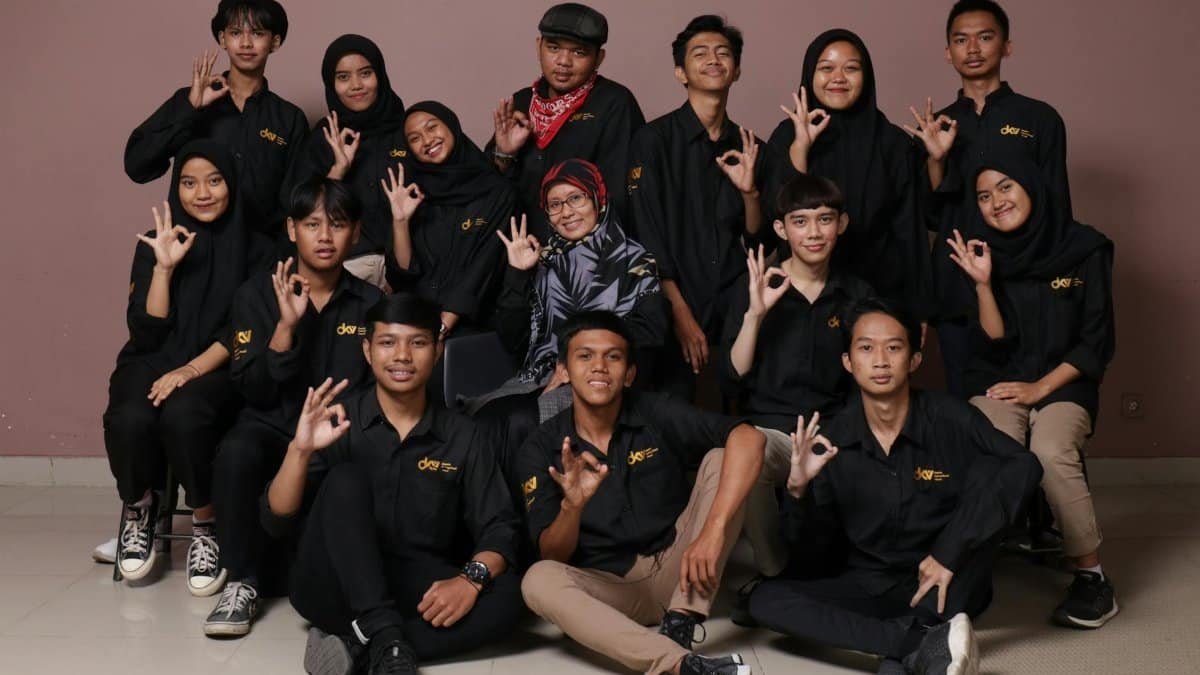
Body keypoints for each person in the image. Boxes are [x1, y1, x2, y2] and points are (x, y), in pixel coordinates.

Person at [747, 298, 1042, 675]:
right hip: (870, 583)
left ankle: (910, 639)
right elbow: (810, 560)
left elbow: (1025, 465)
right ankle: (915, 643)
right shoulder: (831, 439)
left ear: (915, 360)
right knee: (765, 600)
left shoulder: (951, 417)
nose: (881, 360)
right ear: (848, 362)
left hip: (946, 578)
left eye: (894, 347)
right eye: (866, 348)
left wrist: (950, 552)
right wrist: (799, 489)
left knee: (991, 468)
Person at [262, 294, 523, 675]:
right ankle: (385, 635)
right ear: (367, 350)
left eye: (417, 343)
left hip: (409, 580)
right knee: (346, 479)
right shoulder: (337, 418)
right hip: (332, 581)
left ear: (437, 350)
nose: (402, 355)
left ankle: (366, 646)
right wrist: (299, 451)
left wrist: (470, 580)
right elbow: (275, 520)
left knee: (513, 596)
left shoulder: (465, 434)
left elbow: (499, 527)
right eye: (388, 342)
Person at [518, 311, 766, 675]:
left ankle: (680, 623)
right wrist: (572, 506)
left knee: (722, 456)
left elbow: (750, 437)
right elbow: (551, 552)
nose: (600, 367)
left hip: (681, 568)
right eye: (585, 356)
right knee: (538, 579)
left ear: (630, 373)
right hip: (610, 589)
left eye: (613, 357)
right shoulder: (541, 447)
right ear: (564, 370)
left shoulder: (654, 410)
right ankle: (680, 665)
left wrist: (712, 531)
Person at [203, 178, 383, 637]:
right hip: (271, 423)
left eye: (337, 225)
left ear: (356, 233)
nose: (325, 236)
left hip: (337, 432)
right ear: (291, 229)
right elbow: (253, 389)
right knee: (237, 452)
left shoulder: (370, 303)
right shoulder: (256, 295)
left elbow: (377, 387)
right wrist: (285, 327)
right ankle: (240, 580)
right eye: (312, 224)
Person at [949, 156, 1116, 628]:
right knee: (990, 446)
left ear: (1034, 188)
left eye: (1005, 187)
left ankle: (1092, 577)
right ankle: (967, 568)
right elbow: (993, 340)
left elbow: (1097, 341)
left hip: (1065, 382)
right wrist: (982, 285)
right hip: (1000, 378)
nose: (996, 202)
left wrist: (1040, 387)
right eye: (984, 196)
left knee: (1049, 448)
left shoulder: (1086, 247)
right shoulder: (983, 253)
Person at [104, 140, 270, 593]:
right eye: (189, 182)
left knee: (183, 415)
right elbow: (146, 334)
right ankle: (140, 508)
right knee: (130, 416)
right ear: (177, 189)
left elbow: (244, 330)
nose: (202, 193)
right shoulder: (157, 240)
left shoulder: (259, 249)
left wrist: (191, 371)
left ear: (231, 185)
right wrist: (163, 268)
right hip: (153, 356)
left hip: (218, 367)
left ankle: (205, 522)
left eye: (214, 181)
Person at [905, 0, 1072, 394]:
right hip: (956, 289)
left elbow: (1058, 209)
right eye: (961, 40)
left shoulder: (1039, 119)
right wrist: (935, 160)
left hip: (1026, 285)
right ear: (949, 52)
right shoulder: (936, 125)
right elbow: (928, 216)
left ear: (1007, 46)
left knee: (1027, 403)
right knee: (968, 407)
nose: (973, 49)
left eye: (985, 37)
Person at [720, 174, 874, 579]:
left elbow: (872, 378)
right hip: (770, 431)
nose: (813, 232)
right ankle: (774, 574)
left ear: (841, 224)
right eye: (801, 221)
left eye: (825, 219)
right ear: (781, 228)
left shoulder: (856, 293)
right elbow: (732, 376)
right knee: (743, 456)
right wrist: (756, 314)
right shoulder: (754, 286)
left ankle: (826, 575)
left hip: (834, 428)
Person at [477, 159, 666, 487]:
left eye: (576, 198)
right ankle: (497, 520)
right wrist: (518, 274)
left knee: (522, 419)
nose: (566, 212)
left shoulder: (634, 259)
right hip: (538, 375)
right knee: (486, 418)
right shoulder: (542, 260)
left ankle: (537, 519)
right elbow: (513, 339)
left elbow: (651, 331)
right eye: (554, 205)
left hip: (602, 381)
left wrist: (577, 360)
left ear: (598, 200)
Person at [627, 14, 782, 398]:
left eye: (723, 53)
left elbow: (760, 238)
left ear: (737, 69)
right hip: (668, 299)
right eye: (700, 53)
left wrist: (749, 193)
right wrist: (678, 310)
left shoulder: (753, 147)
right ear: (681, 72)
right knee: (669, 410)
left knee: (741, 401)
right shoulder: (653, 140)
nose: (713, 59)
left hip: (733, 297)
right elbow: (645, 231)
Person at [766, 28, 932, 319]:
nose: (838, 78)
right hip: (804, 296)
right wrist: (801, 147)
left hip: (881, 297)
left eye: (851, 68)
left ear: (866, 77)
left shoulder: (892, 143)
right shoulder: (786, 136)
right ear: (809, 75)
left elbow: (910, 232)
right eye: (826, 68)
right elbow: (778, 217)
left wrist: (918, 312)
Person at [124, 0, 306, 235]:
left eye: (258, 33)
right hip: (193, 252)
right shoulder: (191, 100)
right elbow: (137, 165)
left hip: (259, 261)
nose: (246, 43)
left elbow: (296, 203)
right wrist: (190, 109)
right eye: (236, 32)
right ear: (222, 39)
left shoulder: (289, 119)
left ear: (275, 41)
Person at [489, 2, 644, 238]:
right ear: (538, 46)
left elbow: (621, 195)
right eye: (554, 48)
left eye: (578, 52)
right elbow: (486, 192)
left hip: (585, 257)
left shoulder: (614, 102)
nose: (563, 61)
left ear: (599, 58)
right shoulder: (522, 102)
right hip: (520, 255)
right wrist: (503, 154)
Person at [383, 101, 517, 337]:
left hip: (473, 326)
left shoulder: (496, 191)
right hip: (417, 325)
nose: (426, 140)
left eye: (432, 127)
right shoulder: (411, 195)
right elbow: (402, 278)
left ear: (451, 125)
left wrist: (445, 323)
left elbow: (486, 263)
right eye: (414, 138)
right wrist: (401, 222)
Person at [284, 34, 406, 288]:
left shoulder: (407, 130)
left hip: (408, 266)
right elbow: (300, 214)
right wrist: (338, 170)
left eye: (365, 73)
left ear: (380, 76)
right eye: (343, 77)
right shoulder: (322, 139)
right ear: (331, 84)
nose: (356, 85)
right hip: (345, 269)